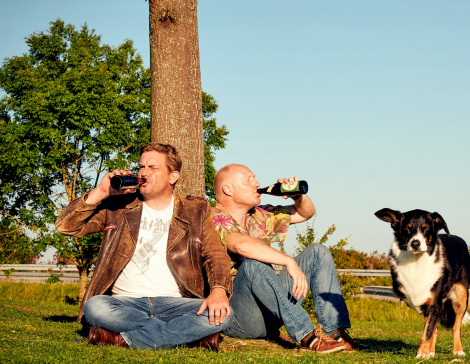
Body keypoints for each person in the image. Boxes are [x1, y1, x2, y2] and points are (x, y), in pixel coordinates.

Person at [55, 143, 233, 351]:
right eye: (142, 167)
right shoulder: (118, 206)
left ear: (172, 177)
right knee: (94, 307)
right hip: (123, 303)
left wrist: (219, 291)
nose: (144, 173)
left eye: (153, 168)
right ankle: (186, 336)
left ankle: (123, 339)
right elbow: (65, 227)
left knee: (225, 314)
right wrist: (101, 192)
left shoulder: (196, 211)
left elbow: (216, 256)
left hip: (175, 304)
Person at [209, 164, 370, 354]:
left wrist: (297, 196)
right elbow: (239, 244)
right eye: (248, 180)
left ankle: (335, 333)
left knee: (318, 252)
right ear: (228, 189)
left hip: (270, 309)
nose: (257, 183)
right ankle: (307, 337)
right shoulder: (212, 216)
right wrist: (288, 261)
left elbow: (305, 213)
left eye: (255, 178)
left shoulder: (260, 215)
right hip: (238, 317)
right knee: (252, 264)